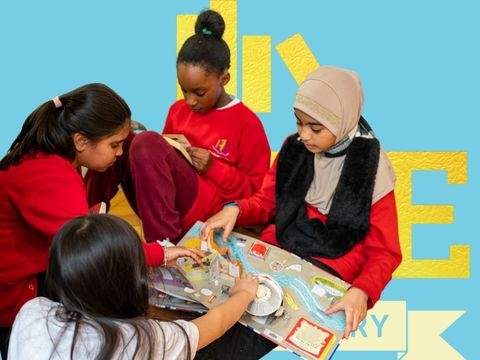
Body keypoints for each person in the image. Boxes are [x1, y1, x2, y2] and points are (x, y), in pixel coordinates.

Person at [0, 83, 203, 359]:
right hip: (12, 296)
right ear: (81, 141)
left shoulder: (54, 155)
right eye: (114, 145)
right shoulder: (51, 176)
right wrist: (160, 252)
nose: (119, 153)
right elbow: (94, 250)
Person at [201, 65, 403, 339]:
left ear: (342, 121)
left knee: (253, 333)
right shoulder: (294, 148)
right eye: (299, 122)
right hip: (280, 249)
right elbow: (266, 203)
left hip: (331, 265)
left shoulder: (372, 169)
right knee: (215, 302)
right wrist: (236, 209)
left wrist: (362, 290)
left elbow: (385, 253)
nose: (304, 135)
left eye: (315, 127)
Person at [84, 8, 271, 244]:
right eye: (185, 90)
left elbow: (254, 199)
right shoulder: (177, 110)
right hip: (165, 208)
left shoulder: (247, 123)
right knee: (120, 140)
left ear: (224, 79)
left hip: (207, 213)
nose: (190, 100)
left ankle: (164, 249)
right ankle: (82, 221)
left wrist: (213, 167)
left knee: (146, 142)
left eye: (199, 92)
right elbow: (155, 173)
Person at [7, 213, 260, 360]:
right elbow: (213, 325)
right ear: (130, 282)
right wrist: (244, 293)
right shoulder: (141, 339)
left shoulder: (33, 311)